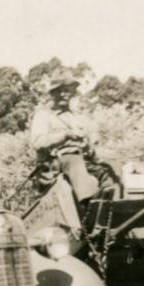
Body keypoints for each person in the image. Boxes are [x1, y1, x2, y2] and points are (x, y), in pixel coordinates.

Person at [28, 67, 116, 202]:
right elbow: (38, 142)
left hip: (82, 161)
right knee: (73, 160)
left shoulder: (78, 117)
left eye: (68, 90)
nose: (64, 94)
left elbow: (92, 138)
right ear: (53, 93)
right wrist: (65, 135)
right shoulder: (43, 115)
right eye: (60, 91)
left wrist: (90, 146)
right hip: (54, 164)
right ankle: (88, 201)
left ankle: (113, 202)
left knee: (111, 166)